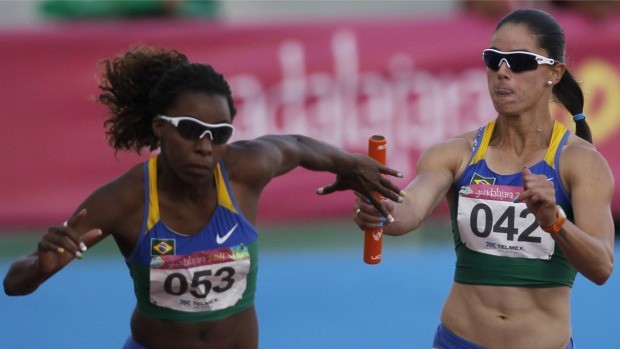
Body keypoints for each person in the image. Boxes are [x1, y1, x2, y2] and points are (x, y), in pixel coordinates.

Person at [3, 45, 405, 349]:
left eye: (221, 134)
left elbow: (296, 144)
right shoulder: (122, 201)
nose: (206, 147)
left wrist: (347, 164)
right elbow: (13, 285)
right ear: (160, 128)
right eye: (192, 130)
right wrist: (39, 266)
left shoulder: (244, 170)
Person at [354, 8, 614, 349]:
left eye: (519, 61)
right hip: (458, 341)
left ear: (554, 72)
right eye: (493, 60)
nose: (502, 73)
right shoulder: (454, 153)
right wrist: (382, 209)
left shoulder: (581, 163)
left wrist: (556, 222)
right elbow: (408, 211)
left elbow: (602, 267)